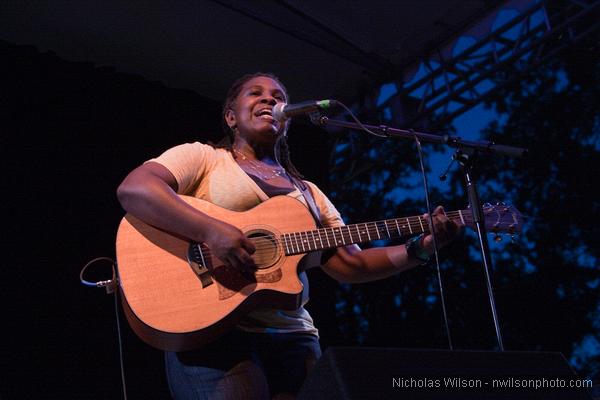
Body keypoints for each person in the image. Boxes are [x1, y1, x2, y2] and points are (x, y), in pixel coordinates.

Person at [116, 72, 461, 399]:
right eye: (256, 94)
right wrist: (211, 230)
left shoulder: (308, 193)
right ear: (231, 117)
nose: (269, 99)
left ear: (287, 121)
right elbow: (136, 188)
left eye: (278, 97)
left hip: (293, 337)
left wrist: (421, 249)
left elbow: (350, 263)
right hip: (214, 329)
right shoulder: (204, 157)